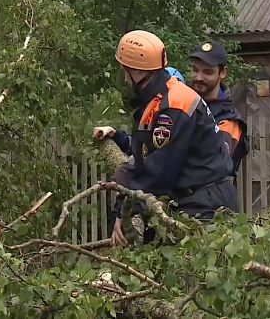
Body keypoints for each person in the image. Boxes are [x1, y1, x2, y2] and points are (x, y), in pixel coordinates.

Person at [94, 30, 239, 246]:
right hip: (191, 200)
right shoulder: (159, 99)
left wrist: (122, 211)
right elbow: (144, 153)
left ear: (137, 71)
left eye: (126, 71)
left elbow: (158, 172)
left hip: (206, 208)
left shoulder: (173, 106)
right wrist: (119, 138)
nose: (124, 78)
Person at [189, 40, 248, 176]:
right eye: (195, 70)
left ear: (222, 73)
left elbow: (214, 166)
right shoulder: (183, 104)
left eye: (207, 72)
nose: (198, 77)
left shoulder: (229, 121)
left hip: (209, 195)